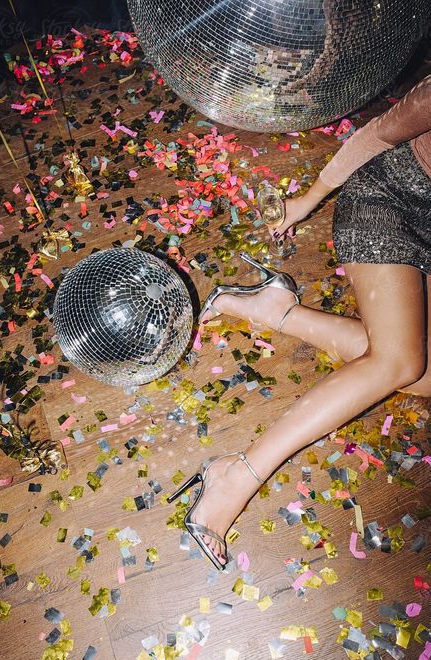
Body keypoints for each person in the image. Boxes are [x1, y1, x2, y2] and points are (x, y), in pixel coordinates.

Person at [167, 76, 431, 570]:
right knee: (401, 360)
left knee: (422, 374)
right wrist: (307, 201)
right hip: (389, 198)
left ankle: (277, 308)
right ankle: (236, 474)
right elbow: (376, 135)